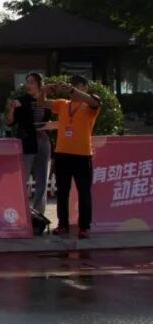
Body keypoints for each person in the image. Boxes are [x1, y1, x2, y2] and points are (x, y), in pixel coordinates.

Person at [48, 75, 102, 238]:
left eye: (76, 85)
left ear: (85, 87)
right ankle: (62, 224)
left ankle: (84, 227)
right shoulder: (63, 104)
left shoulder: (90, 103)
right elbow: (42, 102)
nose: (72, 88)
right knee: (62, 192)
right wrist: (45, 90)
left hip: (82, 155)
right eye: (71, 85)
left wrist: (73, 90)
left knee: (83, 192)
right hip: (62, 154)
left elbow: (95, 103)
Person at [6, 72, 53, 215]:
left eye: (32, 82)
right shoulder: (21, 101)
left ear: (39, 84)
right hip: (27, 140)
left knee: (42, 180)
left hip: (43, 140)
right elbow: (10, 122)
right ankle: (19, 212)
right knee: (22, 178)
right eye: (27, 82)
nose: (29, 85)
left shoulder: (47, 102)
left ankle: (39, 214)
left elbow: (49, 118)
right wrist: (11, 110)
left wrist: (50, 125)